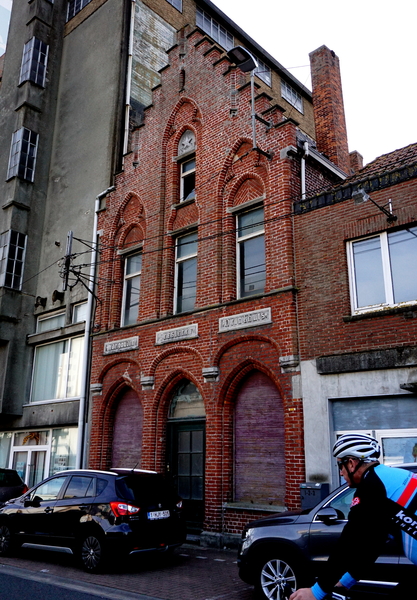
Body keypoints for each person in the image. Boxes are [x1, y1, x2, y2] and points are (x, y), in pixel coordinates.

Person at [290, 433, 417, 600]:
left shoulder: (371, 489)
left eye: (340, 466)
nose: (341, 473)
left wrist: (316, 592)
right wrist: (347, 581)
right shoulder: (389, 479)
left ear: (351, 463)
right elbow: (374, 544)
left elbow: (348, 544)